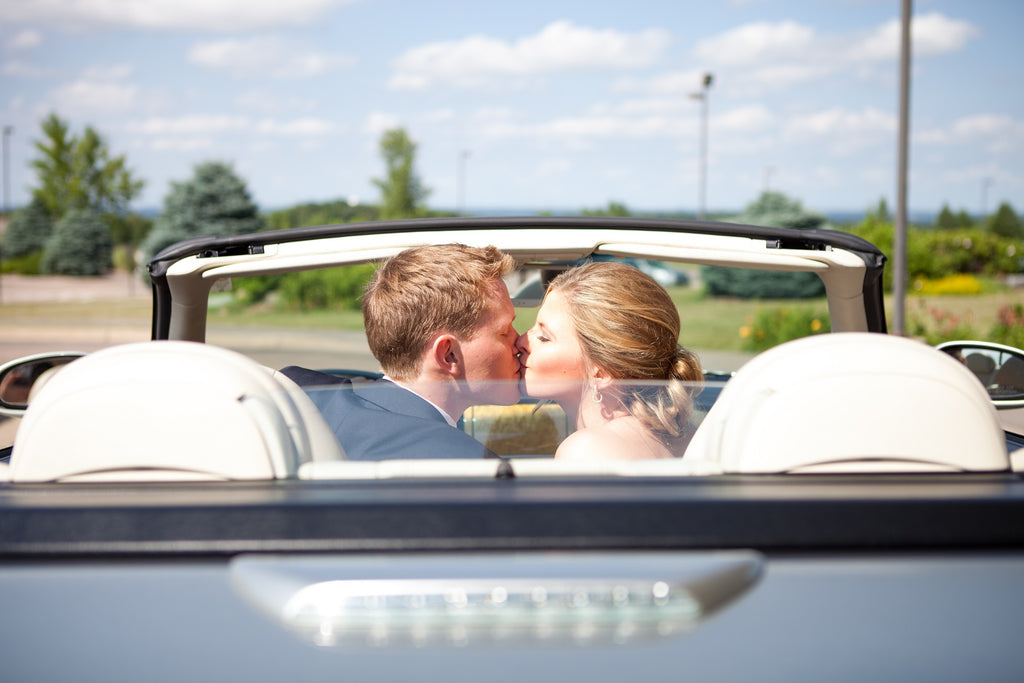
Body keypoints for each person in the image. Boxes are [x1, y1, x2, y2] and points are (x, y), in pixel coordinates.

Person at [282, 244, 522, 460]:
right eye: (504, 331)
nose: (520, 341)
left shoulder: (295, 396)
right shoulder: (469, 465)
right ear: (449, 354)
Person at [516, 260, 702, 460]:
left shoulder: (586, 450)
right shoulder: (690, 436)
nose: (520, 341)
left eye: (544, 337)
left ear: (602, 372)